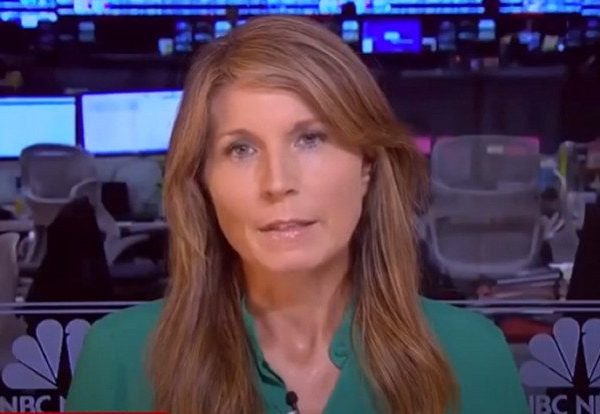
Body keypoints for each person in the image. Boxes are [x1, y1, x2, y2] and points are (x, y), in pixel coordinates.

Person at [66, 16, 528, 414]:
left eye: (310, 139)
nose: (276, 182)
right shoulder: (120, 358)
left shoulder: (472, 356)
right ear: (203, 181)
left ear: (367, 166)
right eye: (240, 149)